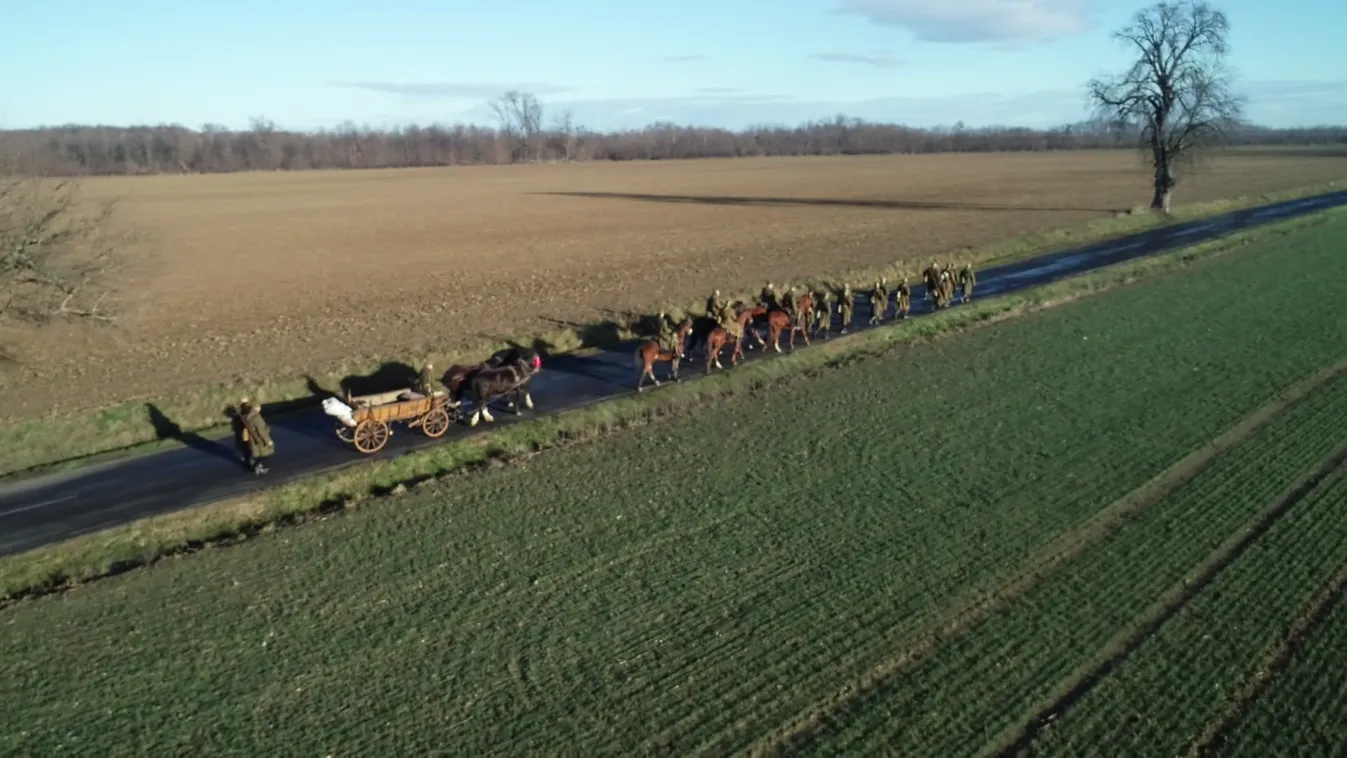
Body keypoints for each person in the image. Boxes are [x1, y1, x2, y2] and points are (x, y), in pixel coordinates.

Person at [234, 398, 274, 475]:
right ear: (255, 407)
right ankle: (257, 466)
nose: (260, 408)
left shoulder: (246, 415)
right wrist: (268, 441)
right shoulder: (256, 417)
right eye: (258, 406)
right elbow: (261, 431)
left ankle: (256, 466)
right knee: (262, 454)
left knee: (254, 453)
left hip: (250, 438)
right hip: (258, 439)